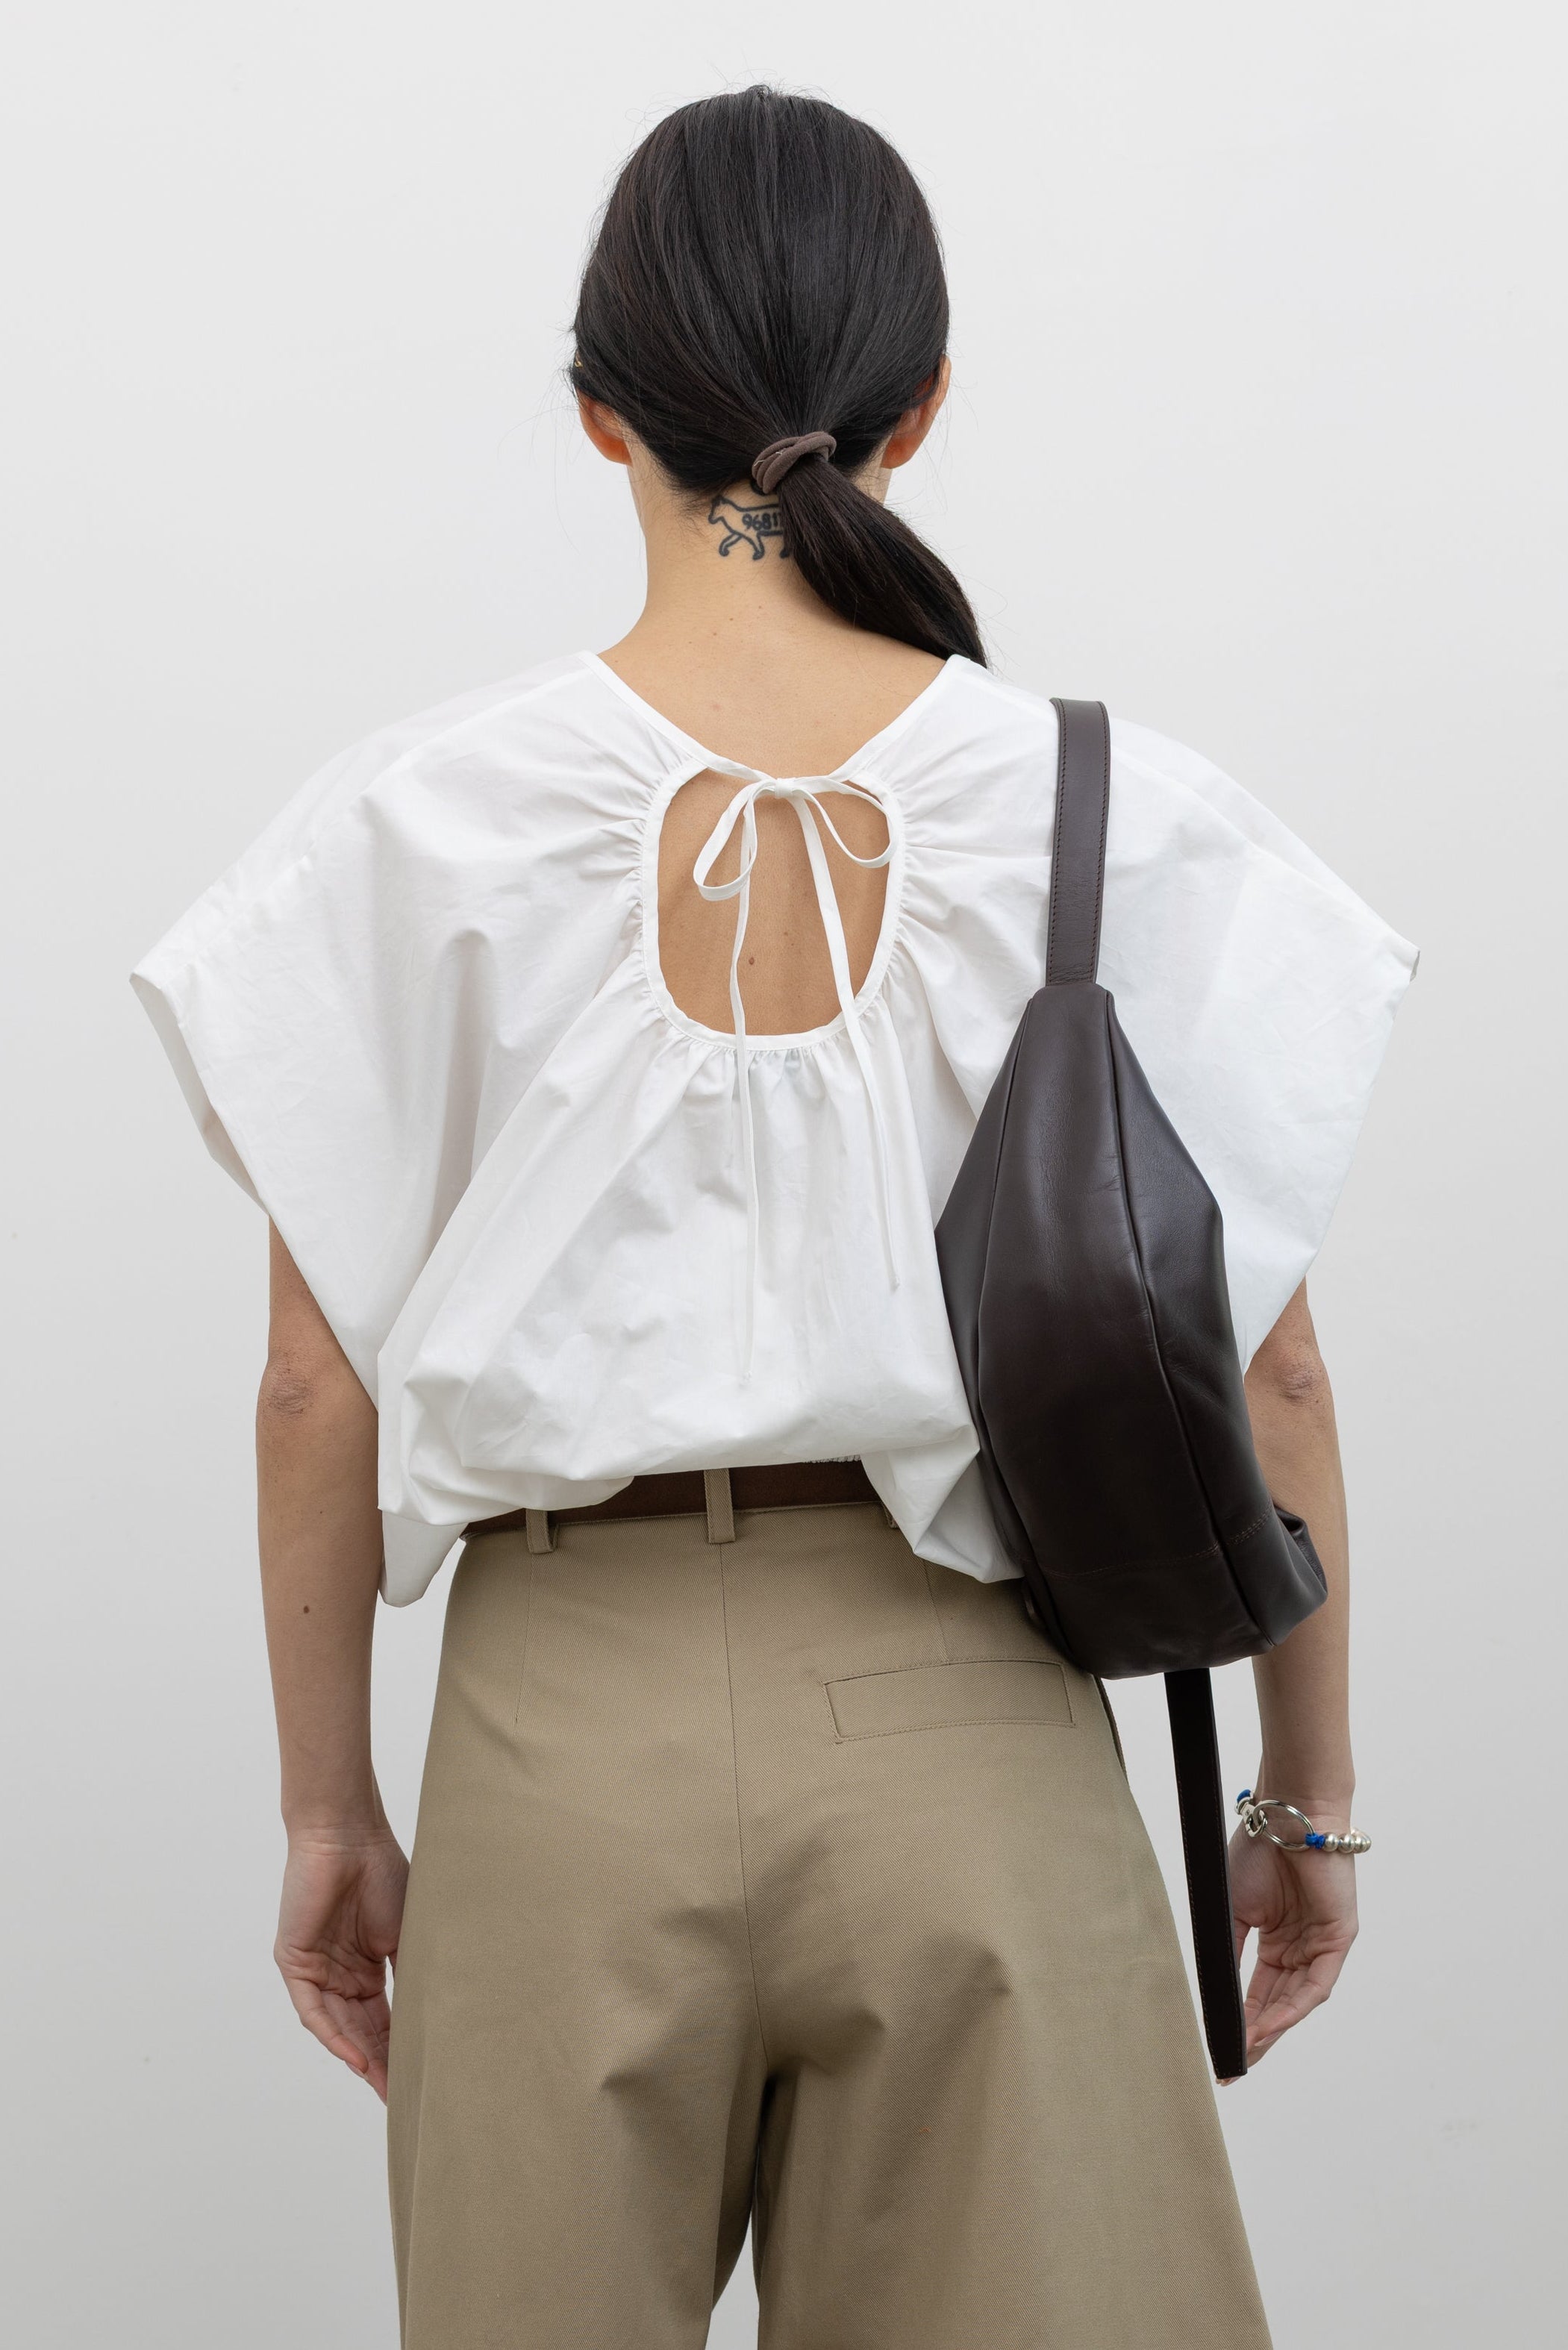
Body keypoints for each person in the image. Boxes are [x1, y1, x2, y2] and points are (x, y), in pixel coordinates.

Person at [133, 85, 1415, 2350]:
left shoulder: (414, 825)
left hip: (555, 1753)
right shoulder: (1119, 813)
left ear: (598, 409)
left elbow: (305, 1380)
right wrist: (1305, 1816)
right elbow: (1274, 1368)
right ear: (919, 409)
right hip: (974, 1722)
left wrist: (331, 1815)